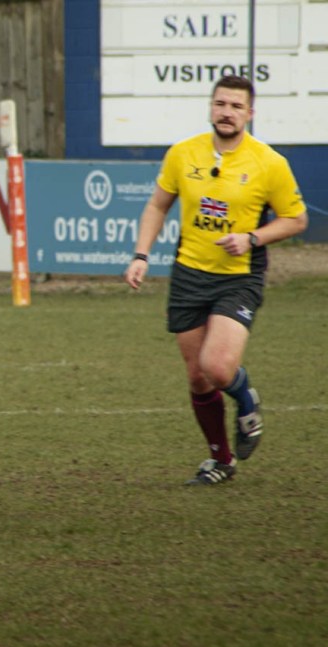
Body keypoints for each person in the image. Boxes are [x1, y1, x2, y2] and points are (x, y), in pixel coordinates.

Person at [124, 75, 307, 485]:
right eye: (221, 103)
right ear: (211, 107)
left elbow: (297, 219)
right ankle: (221, 459)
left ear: (250, 113)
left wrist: (252, 237)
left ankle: (246, 400)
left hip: (238, 278)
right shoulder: (182, 154)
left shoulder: (269, 162)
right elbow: (157, 206)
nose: (227, 112)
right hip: (189, 273)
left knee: (218, 367)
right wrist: (140, 255)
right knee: (197, 376)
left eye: (237, 106)